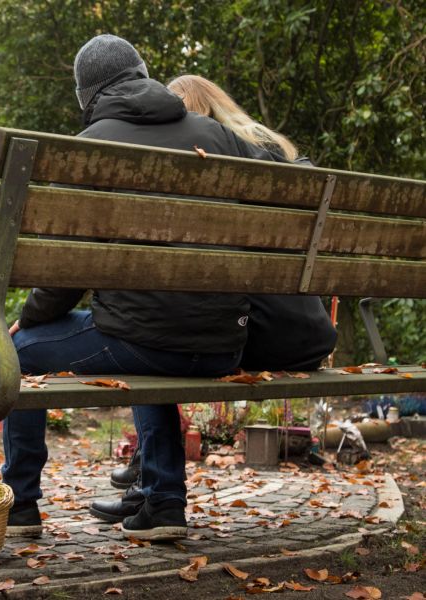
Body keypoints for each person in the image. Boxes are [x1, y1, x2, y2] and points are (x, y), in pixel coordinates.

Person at [3, 35, 289, 541]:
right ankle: (163, 505)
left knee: (18, 352)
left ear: (85, 95)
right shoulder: (216, 135)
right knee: (148, 341)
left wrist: (29, 318)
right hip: (223, 344)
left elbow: (66, 271)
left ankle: (20, 502)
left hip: (147, 340)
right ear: (142, 72)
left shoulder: (91, 148)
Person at [90, 74, 338, 524]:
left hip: (260, 332)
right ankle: (146, 490)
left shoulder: (214, 157)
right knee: (160, 334)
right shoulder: (272, 150)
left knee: (155, 337)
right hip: (310, 333)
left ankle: (150, 488)